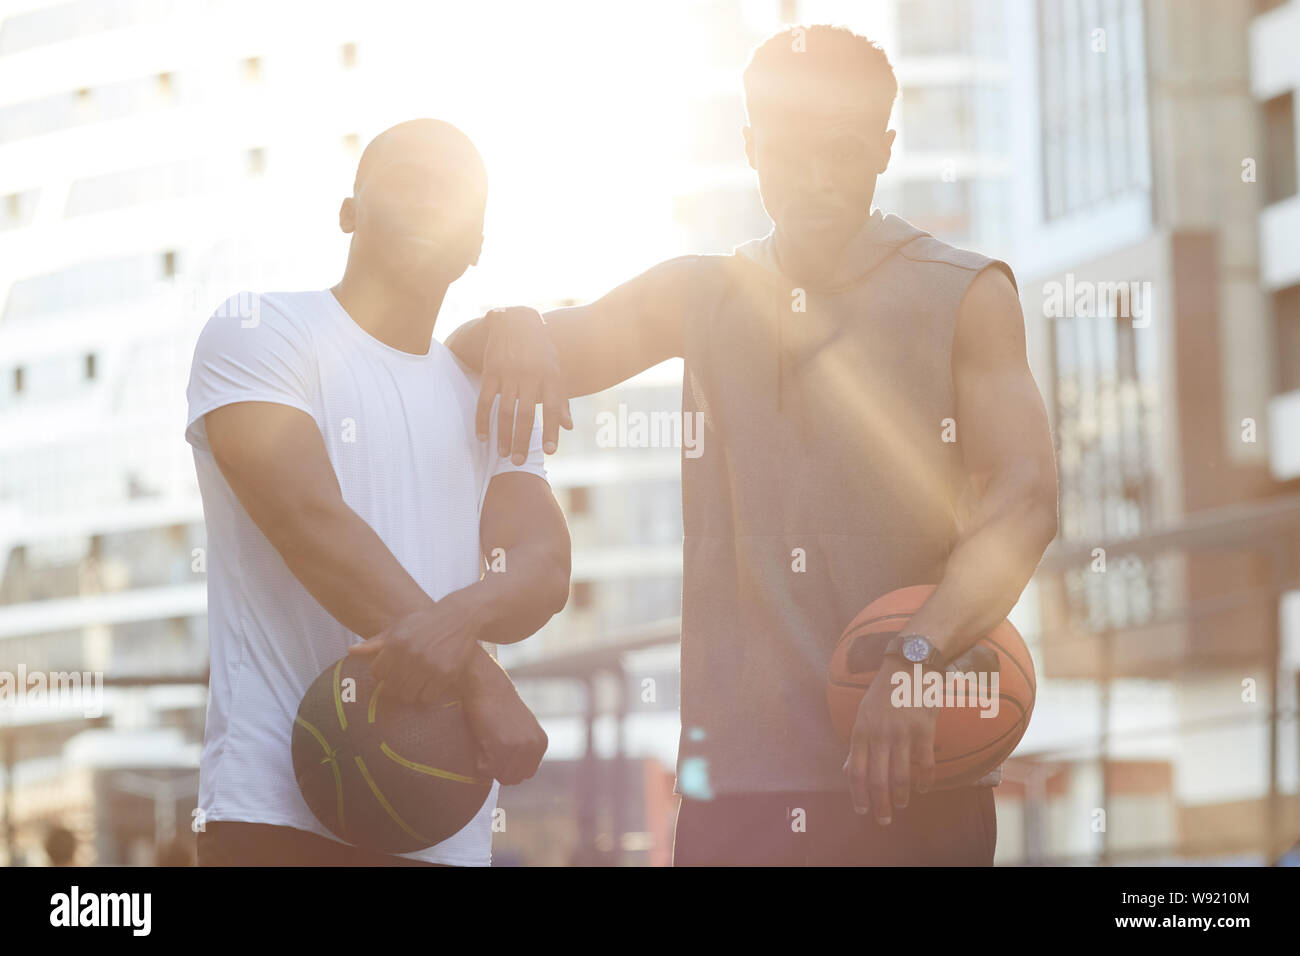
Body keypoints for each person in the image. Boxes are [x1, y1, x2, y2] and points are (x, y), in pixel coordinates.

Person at [448, 25, 1059, 865]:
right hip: (739, 791)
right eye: (791, 148)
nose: (816, 176)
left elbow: (1024, 503)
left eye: (843, 149)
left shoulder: (967, 295)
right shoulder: (698, 295)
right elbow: (515, 348)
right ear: (749, 146)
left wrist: (919, 654)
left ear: (885, 150)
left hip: (914, 777)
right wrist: (514, 321)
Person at [186, 119, 570, 866]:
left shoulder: (489, 392)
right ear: (349, 212)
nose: (432, 202)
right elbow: (311, 524)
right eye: (408, 180)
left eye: (455, 195)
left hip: (447, 829)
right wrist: (480, 677)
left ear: (476, 246)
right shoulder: (261, 331)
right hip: (278, 820)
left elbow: (543, 571)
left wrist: (462, 622)